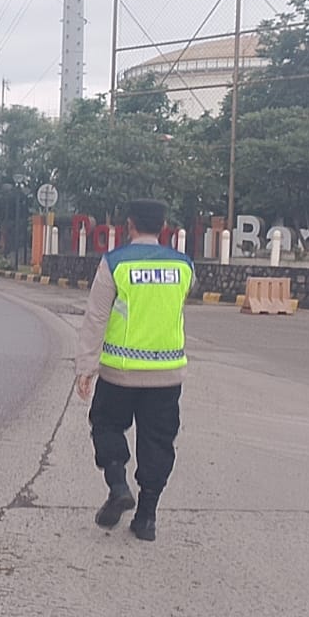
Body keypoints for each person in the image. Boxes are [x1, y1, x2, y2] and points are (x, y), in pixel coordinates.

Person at [74, 199, 192, 543]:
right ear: (164, 227)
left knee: (107, 425)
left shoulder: (115, 263)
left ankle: (117, 485)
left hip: (119, 372)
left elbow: (96, 317)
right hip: (167, 374)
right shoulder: (184, 266)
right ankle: (146, 517)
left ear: (129, 225)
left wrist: (86, 367)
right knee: (158, 442)